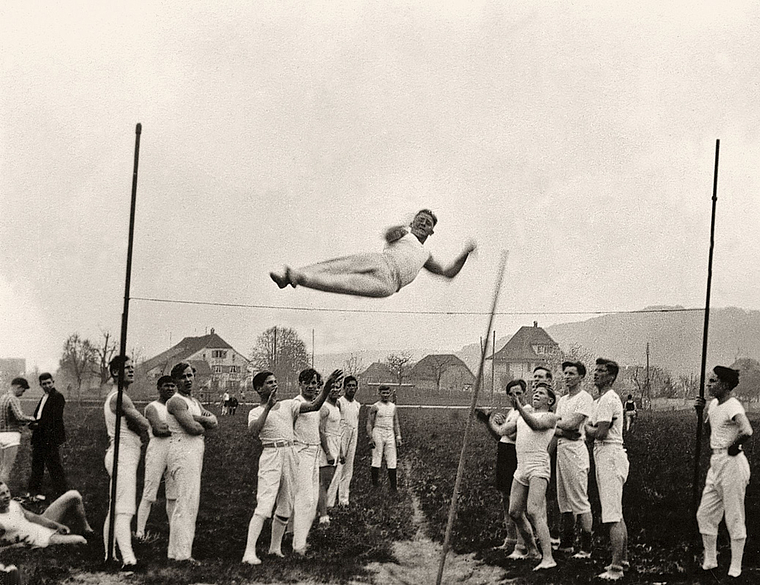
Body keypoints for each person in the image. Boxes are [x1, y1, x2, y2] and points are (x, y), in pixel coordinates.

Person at [242, 369, 341, 565]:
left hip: (290, 454)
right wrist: (268, 408)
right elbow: (253, 431)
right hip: (271, 455)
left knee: (286, 503)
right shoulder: (255, 411)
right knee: (264, 504)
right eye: (269, 383)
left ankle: (275, 548)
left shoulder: (289, 405)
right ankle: (249, 553)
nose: (274, 385)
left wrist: (327, 386)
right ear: (258, 388)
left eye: (275, 381)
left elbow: (314, 406)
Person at [270, 209, 477, 298]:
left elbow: (447, 273)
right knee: (340, 265)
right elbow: (388, 236)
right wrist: (401, 228)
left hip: (389, 284)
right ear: (413, 222)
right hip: (382, 262)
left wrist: (465, 254)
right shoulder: (405, 233)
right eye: (420, 219)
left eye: (428, 223)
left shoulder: (426, 254)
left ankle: (297, 278)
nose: (424, 223)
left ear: (431, 231)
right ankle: (290, 275)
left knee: (343, 284)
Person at [695, 366, 753, 578]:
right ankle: (710, 562)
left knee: (734, 515)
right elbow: (710, 432)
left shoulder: (733, 405)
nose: (709, 385)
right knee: (705, 513)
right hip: (716, 462)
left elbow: (747, 430)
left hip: (732, 464)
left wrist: (734, 446)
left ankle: (735, 568)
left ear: (725, 385)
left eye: (713, 381)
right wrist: (699, 412)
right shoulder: (713, 405)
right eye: (709, 381)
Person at [476, 379, 536, 556]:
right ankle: (510, 538)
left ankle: (521, 542)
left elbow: (515, 435)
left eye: (518, 393)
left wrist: (499, 426)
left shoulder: (528, 411)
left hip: (515, 455)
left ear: (525, 393)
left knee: (516, 500)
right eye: (511, 394)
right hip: (504, 453)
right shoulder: (512, 412)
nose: (515, 397)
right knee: (505, 498)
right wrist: (489, 423)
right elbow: (500, 436)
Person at [166, 362, 218, 562]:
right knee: (185, 503)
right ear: (176, 381)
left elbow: (214, 420)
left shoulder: (193, 401)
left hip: (194, 452)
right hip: (182, 451)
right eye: (183, 377)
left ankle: (176, 552)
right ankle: (182, 554)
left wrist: (199, 419)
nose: (187, 380)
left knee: (189, 503)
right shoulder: (176, 401)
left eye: (190, 376)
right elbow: (194, 428)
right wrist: (201, 421)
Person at [504, 382, 558, 571]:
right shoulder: (521, 417)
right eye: (535, 392)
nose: (536, 395)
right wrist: (487, 421)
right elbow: (502, 433)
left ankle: (549, 558)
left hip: (538, 468)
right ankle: (533, 551)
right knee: (514, 512)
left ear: (550, 400)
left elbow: (536, 425)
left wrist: (519, 407)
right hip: (521, 467)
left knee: (534, 511)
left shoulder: (551, 417)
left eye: (541, 393)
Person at [103, 355, 150, 569]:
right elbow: (143, 423)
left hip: (122, 455)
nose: (131, 370)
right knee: (124, 510)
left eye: (132, 367)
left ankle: (109, 556)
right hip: (122, 457)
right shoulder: (119, 397)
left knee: (115, 508)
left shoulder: (118, 397)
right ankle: (129, 560)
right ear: (114, 373)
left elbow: (136, 423)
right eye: (126, 368)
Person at [584, 358, 628, 581]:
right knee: (615, 510)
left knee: (611, 514)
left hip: (609, 453)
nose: (596, 374)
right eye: (596, 370)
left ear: (611, 377)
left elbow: (600, 432)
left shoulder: (609, 399)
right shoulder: (599, 399)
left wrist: (585, 428)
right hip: (604, 454)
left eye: (601, 371)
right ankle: (624, 559)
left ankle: (616, 567)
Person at [554, 361, 594, 558]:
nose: (567, 376)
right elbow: (556, 426)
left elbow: (571, 424)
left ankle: (586, 547)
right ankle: (567, 543)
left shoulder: (585, 398)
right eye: (565, 373)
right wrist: (561, 429)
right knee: (564, 501)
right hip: (562, 449)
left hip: (576, 452)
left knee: (579, 500)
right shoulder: (562, 400)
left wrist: (560, 427)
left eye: (571, 373)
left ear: (581, 377)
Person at [135, 376, 178, 540]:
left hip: (174, 449)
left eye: (173, 386)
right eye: (166, 386)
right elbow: (158, 429)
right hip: (157, 449)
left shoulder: (176, 406)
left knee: (173, 494)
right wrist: (179, 427)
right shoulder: (152, 407)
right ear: (159, 388)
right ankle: (140, 531)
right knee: (150, 491)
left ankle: (174, 531)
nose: (170, 389)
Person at [291, 368, 327, 555]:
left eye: (315, 383)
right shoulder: (297, 403)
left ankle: (299, 536)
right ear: (300, 384)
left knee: (311, 500)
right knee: (305, 499)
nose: (312, 386)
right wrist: (326, 390)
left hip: (314, 453)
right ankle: (298, 545)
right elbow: (313, 407)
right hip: (301, 452)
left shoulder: (314, 403)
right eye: (308, 383)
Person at [0, 481, 93, 547]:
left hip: (38, 526)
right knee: (80, 540)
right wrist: (15, 546)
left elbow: (33, 517)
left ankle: (87, 530)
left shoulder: (13, 504)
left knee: (74, 495)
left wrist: (56, 525)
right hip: (39, 538)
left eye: (7, 491)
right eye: (2, 494)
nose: (7, 496)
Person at [27, 373, 68, 500]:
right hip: (40, 436)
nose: (47, 386)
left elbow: (53, 419)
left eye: (49, 383)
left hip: (50, 437)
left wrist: (36, 425)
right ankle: (34, 491)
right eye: (44, 384)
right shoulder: (44, 397)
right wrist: (34, 423)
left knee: (53, 465)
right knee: (37, 464)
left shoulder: (58, 397)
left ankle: (62, 492)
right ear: (40, 385)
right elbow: (39, 414)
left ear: (53, 382)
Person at [327, 375, 361, 507]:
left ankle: (343, 500)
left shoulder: (357, 404)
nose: (351, 388)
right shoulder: (340, 402)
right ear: (344, 388)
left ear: (357, 388)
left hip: (353, 434)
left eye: (354, 386)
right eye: (349, 386)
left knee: (348, 468)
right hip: (341, 435)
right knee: (338, 467)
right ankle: (329, 502)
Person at [317, 379, 344, 525]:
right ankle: (323, 516)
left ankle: (321, 508)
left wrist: (340, 452)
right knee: (323, 482)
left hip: (336, 444)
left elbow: (338, 432)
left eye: (337, 387)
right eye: (332, 387)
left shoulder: (337, 406)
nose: (334, 390)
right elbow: (320, 430)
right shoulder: (324, 408)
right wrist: (327, 452)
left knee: (330, 481)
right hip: (326, 446)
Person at [0, 378, 36, 484]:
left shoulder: (2, 398)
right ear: (18, 387)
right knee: (6, 470)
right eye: (23, 390)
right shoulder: (13, 399)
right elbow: (19, 417)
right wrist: (32, 419)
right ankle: (2, 495)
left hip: (1, 434)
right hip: (11, 437)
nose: (22, 393)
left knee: (1, 467)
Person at [367, 386, 402, 490]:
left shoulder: (393, 407)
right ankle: (375, 485)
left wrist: (398, 436)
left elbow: (396, 422)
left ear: (390, 394)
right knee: (377, 457)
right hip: (378, 431)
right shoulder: (375, 406)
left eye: (387, 393)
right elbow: (369, 423)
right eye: (383, 393)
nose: (385, 395)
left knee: (392, 458)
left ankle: (393, 487)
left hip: (390, 432)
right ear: (379, 393)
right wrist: (370, 437)